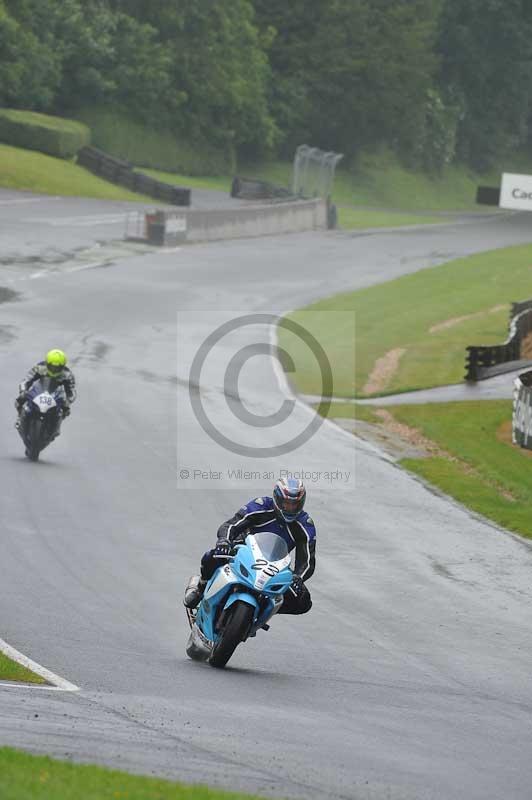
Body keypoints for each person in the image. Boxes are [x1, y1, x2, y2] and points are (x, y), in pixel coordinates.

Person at [184, 477, 315, 615]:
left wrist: (297, 578)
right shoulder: (261, 505)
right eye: (286, 503)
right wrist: (224, 541)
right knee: (212, 556)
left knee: (303, 602)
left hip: (274, 568)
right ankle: (200, 587)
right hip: (242, 551)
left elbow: (306, 563)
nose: (290, 508)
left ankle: (262, 612)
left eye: (294, 504)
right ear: (277, 499)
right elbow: (231, 525)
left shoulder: (305, 525)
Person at [15, 349, 77, 436]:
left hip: (56, 395)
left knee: (66, 411)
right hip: (39, 390)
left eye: (57, 368)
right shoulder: (39, 367)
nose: (54, 370)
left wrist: (68, 402)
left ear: (63, 366)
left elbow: (72, 391)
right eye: (52, 366)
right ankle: (19, 418)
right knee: (19, 400)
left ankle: (57, 428)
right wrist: (23, 391)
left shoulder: (67, 374)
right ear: (47, 363)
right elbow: (26, 380)